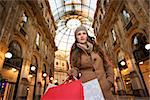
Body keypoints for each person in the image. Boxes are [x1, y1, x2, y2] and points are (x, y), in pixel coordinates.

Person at [68, 26, 115, 100]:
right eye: (79, 34)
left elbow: (108, 65)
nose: (82, 36)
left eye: (84, 33)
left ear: (87, 35)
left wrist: (109, 81)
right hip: (88, 88)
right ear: (76, 37)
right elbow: (75, 68)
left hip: (104, 86)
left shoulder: (97, 48)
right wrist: (73, 72)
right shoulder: (75, 52)